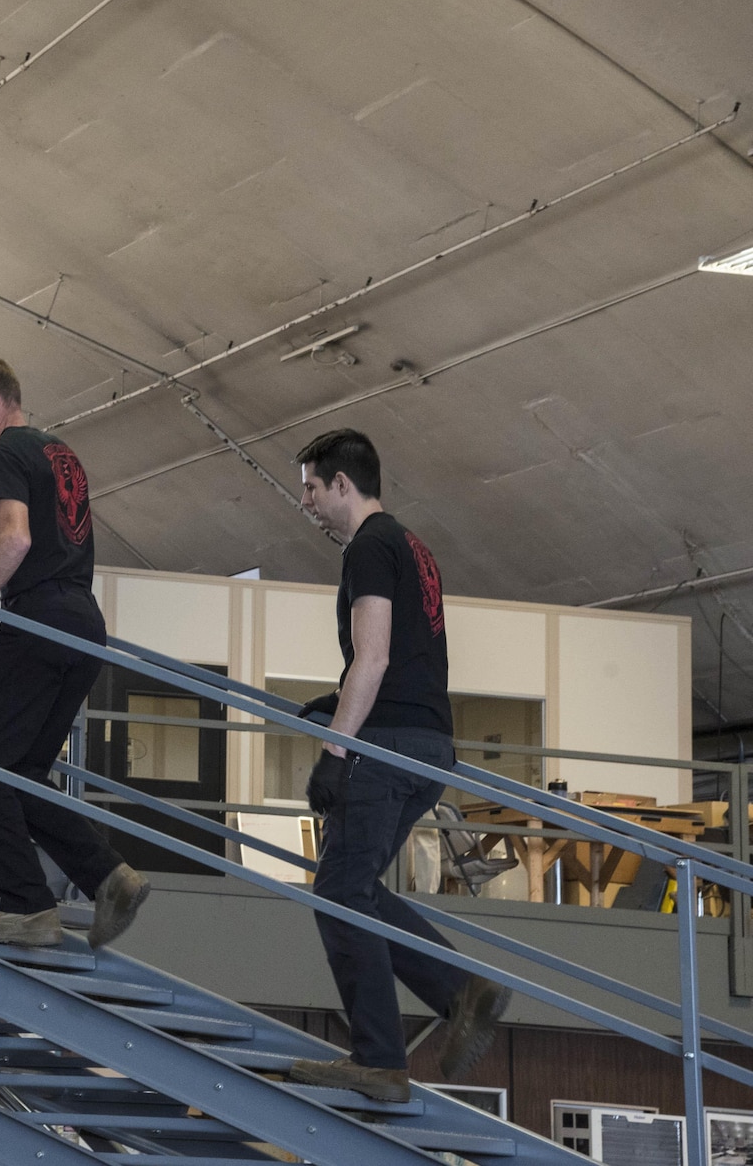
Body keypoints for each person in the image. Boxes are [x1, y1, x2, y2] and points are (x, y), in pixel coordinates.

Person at [284, 428, 507, 1103]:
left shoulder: (371, 546)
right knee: (359, 888)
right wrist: (336, 698)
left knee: (340, 891)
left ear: (343, 485)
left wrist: (334, 751)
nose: (306, 503)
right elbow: (402, 655)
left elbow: (375, 655)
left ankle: (381, 1059)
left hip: (388, 748)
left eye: (312, 489)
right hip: (428, 742)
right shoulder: (412, 545)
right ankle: (457, 989)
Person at [0, 356, 149, 950]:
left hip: (37, 622)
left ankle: (27, 908)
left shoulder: (5, 454)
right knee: (19, 775)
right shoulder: (61, 453)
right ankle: (109, 877)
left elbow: (14, 537)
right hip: (81, 626)